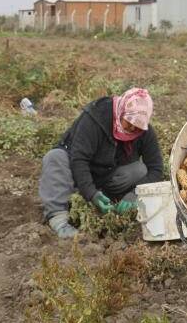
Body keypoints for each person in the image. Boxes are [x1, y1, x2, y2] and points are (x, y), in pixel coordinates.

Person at [38, 88, 164, 238]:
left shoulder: (144, 131)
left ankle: (108, 201)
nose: (131, 129)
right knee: (55, 158)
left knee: (139, 170)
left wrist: (136, 194)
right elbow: (79, 160)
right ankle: (59, 219)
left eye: (137, 127)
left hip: (107, 176)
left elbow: (155, 168)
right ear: (121, 112)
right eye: (129, 123)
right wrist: (91, 193)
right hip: (77, 173)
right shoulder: (95, 118)